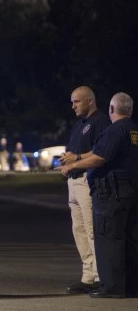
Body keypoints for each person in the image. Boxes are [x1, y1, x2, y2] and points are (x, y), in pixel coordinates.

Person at [59, 92, 138, 298]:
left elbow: (100, 156)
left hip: (112, 191)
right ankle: (122, 284)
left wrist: (74, 163)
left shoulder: (112, 128)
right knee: (125, 238)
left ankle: (108, 284)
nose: (73, 106)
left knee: (107, 236)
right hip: (126, 188)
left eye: (76, 101)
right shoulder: (132, 129)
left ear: (112, 109)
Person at [58, 86, 111, 294]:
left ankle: (99, 276)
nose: (73, 106)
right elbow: (75, 152)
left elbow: (101, 152)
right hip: (73, 181)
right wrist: (67, 160)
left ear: (90, 101)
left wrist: (77, 159)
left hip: (87, 181)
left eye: (76, 101)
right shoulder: (79, 124)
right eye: (72, 102)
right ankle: (88, 275)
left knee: (91, 230)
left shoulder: (101, 122)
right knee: (78, 230)